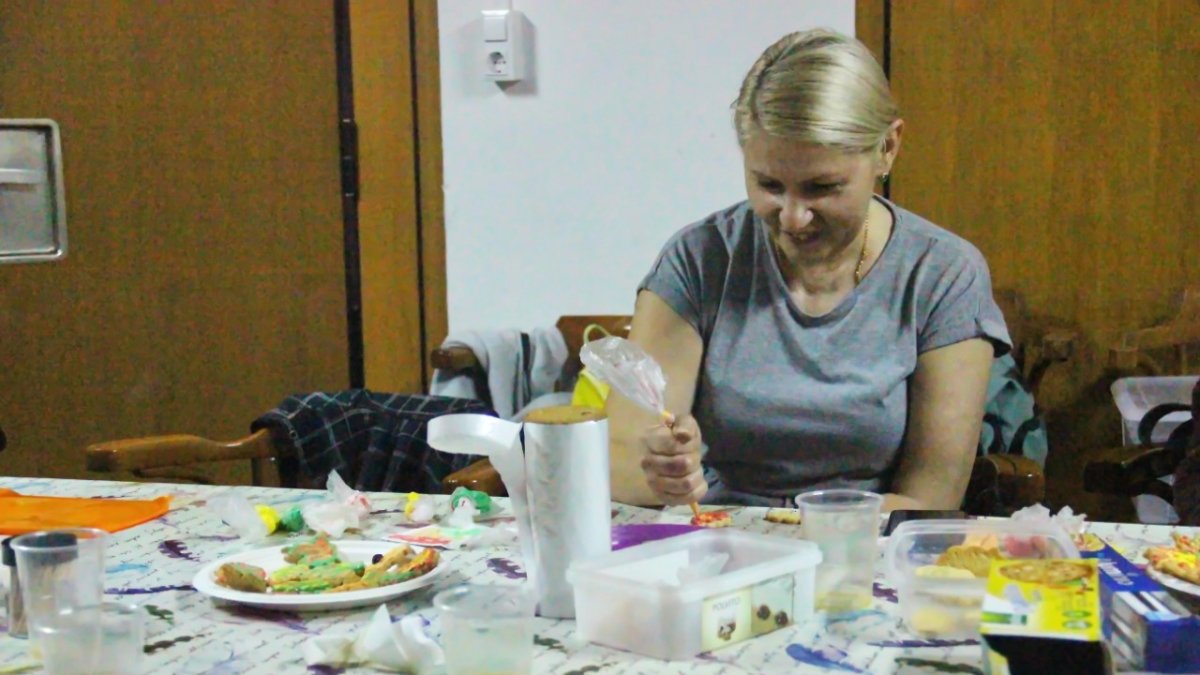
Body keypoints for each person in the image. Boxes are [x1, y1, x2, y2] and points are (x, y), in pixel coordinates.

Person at [608, 29, 1011, 512]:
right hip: (716, 538)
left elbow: (929, 497)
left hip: (863, 545)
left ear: (887, 148)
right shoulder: (700, 260)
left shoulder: (942, 274)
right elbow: (622, 463)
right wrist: (662, 472)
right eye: (769, 184)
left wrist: (806, 539)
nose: (793, 217)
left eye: (822, 187)